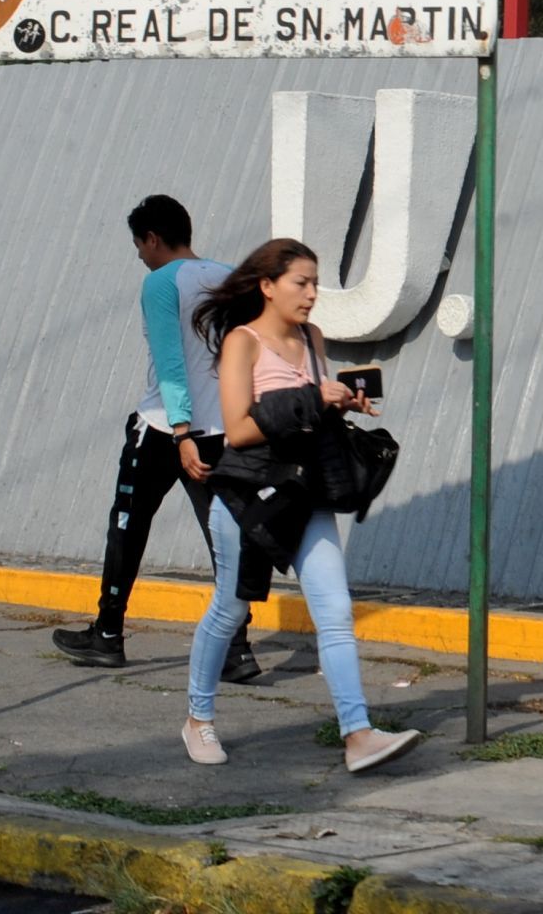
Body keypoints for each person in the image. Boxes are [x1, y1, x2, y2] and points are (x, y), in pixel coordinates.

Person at [184, 237, 419, 772]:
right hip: (250, 498)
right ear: (267, 286)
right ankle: (198, 720)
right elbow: (240, 430)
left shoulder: (313, 340)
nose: (313, 295)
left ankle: (358, 736)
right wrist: (314, 398)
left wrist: (340, 402)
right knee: (231, 608)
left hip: (305, 493)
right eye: (302, 283)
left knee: (334, 613)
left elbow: (307, 417)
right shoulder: (242, 343)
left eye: (315, 283)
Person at [52, 196, 259, 682]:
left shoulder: (161, 283)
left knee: (128, 524)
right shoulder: (232, 278)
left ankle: (107, 634)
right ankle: (237, 648)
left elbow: (170, 363)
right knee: (226, 539)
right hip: (224, 430)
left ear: (152, 238)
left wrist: (182, 431)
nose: (140, 256)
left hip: (166, 429)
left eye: (139, 245)